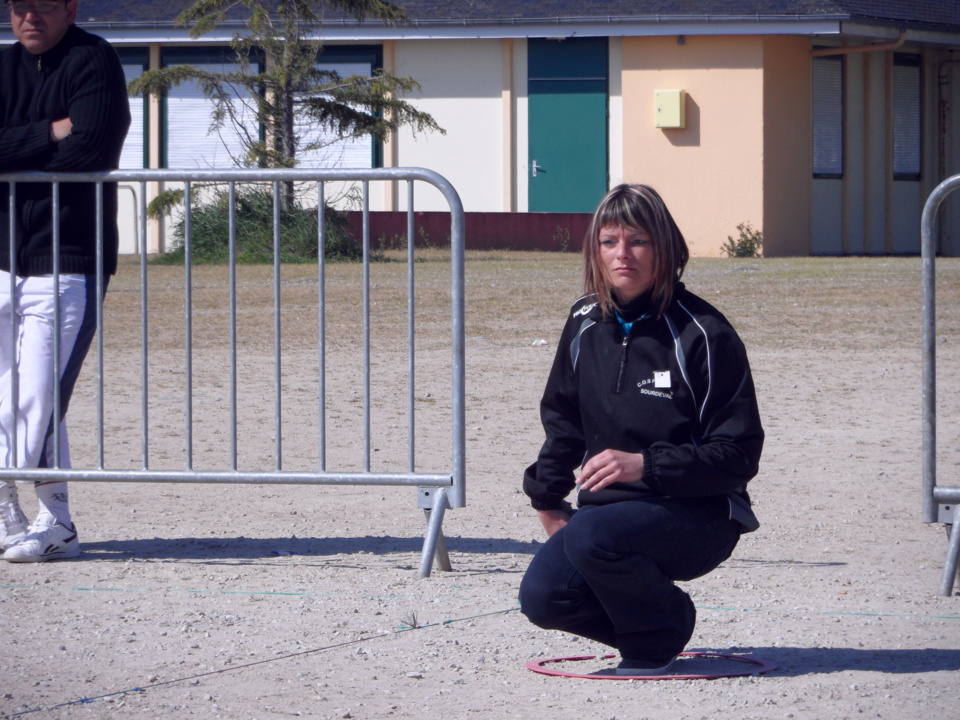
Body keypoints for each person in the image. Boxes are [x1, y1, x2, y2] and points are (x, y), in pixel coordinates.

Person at [518, 184, 764, 675]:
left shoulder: (704, 332)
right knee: (544, 598)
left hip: (699, 514)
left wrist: (644, 465)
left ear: (665, 247)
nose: (622, 255)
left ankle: (650, 644)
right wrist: (547, 500)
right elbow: (562, 418)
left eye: (638, 241)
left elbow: (738, 454)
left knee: (593, 537)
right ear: (595, 250)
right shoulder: (584, 320)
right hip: (604, 518)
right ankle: (666, 623)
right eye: (609, 241)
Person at [0, 0, 130, 561]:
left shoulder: (94, 61)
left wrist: (14, 152)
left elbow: (94, 146)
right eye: (18, 5)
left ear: (70, 7)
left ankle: (53, 524)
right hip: (1, 258)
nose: (30, 17)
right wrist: (51, 131)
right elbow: (69, 140)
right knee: (6, 398)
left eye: (44, 5)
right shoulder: (2, 68)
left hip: (68, 260)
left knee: (36, 402)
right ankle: (43, 520)